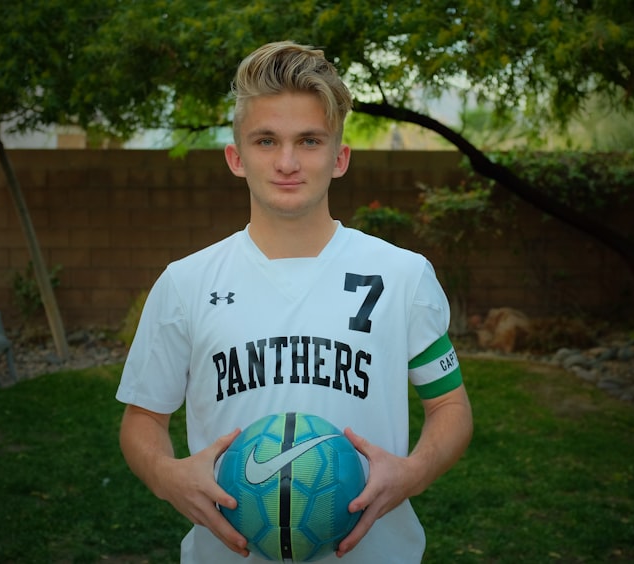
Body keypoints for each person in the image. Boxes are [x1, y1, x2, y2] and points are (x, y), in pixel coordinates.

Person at [116, 40, 473, 563]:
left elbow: (450, 406)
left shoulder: (402, 276)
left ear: (340, 156)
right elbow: (141, 420)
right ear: (236, 158)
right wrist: (168, 476)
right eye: (266, 140)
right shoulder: (185, 283)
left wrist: (413, 472)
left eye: (309, 140)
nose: (287, 162)